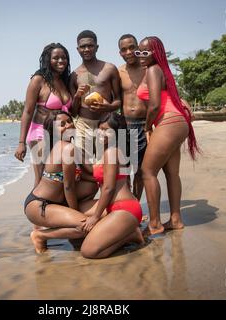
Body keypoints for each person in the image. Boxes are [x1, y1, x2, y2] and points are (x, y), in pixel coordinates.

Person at [136, 36, 200, 235]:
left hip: (168, 122)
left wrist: (147, 127)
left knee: (147, 172)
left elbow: (155, 104)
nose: (141, 56)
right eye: (139, 52)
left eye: (145, 52)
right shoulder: (164, 71)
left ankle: (154, 224)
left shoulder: (153, 70)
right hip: (178, 122)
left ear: (156, 52)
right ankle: (175, 220)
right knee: (172, 173)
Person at [24, 112, 97, 253]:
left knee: (94, 193)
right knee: (84, 226)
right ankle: (40, 236)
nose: (68, 125)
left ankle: (69, 221)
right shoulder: (66, 148)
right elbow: (68, 187)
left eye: (70, 121)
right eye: (62, 124)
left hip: (59, 202)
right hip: (40, 205)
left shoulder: (72, 148)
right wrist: (75, 213)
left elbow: (92, 177)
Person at [79, 113, 144, 259]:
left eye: (107, 130)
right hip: (114, 206)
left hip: (124, 208)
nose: (101, 133)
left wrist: (95, 217)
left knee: (88, 251)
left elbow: (108, 188)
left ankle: (130, 235)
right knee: (78, 208)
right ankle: (124, 231)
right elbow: (100, 177)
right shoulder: (107, 151)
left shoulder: (112, 152)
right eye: (100, 129)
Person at [15, 43, 72, 187]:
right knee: (42, 178)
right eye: (56, 58)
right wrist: (21, 143)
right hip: (40, 134)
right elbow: (27, 111)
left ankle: (53, 207)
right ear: (48, 60)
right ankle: (34, 207)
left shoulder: (64, 80)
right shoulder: (38, 80)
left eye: (64, 57)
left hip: (61, 135)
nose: (61, 61)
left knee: (58, 177)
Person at [70, 30, 122, 164]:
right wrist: (77, 96)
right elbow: (73, 112)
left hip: (104, 123)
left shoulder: (109, 68)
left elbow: (119, 101)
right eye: (82, 47)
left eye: (90, 46)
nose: (86, 49)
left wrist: (108, 107)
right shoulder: (74, 75)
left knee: (104, 164)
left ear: (97, 47)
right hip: (83, 125)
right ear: (77, 49)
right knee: (82, 165)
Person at [118, 34, 147, 200]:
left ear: (138, 48)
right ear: (120, 52)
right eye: (124, 49)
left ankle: (136, 202)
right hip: (124, 125)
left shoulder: (148, 69)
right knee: (123, 169)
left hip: (145, 125)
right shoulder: (119, 72)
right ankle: (127, 205)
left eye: (132, 47)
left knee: (141, 170)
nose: (128, 52)